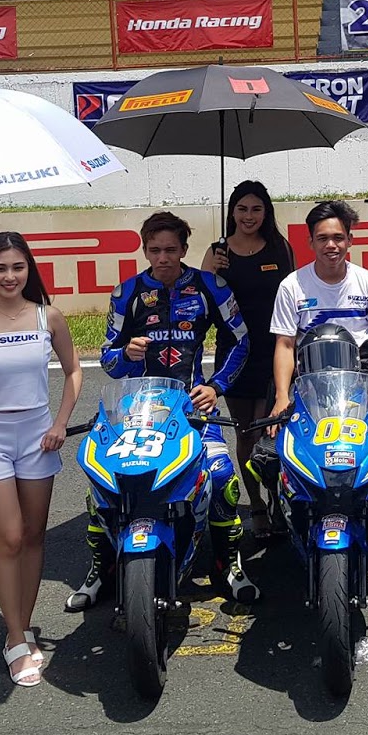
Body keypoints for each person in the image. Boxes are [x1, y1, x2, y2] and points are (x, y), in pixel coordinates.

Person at [65, 211, 258, 612]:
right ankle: (103, 566)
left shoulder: (210, 286)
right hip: (135, 408)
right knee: (104, 480)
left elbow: (241, 340)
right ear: (145, 250)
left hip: (192, 406)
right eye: (155, 250)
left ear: (184, 249)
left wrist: (216, 386)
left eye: (171, 249)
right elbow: (108, 359)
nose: (163, 257)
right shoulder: (127, 293)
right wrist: (126, 353)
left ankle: (227, 564)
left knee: (221, 476)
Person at [268, 199, 368, 602]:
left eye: (338, 237)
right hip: (308, 390)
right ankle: (287, 534)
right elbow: (285, 344)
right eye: (323, 238)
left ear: (350, 240)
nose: (331, 245)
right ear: (310, 242)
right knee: (269, 460)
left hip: (362, 389)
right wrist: (282, 397)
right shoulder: (292, 286)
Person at [0, 233, 81, 688]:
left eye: (17, 267)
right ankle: (17, 638)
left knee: (34, 535)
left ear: (29, 270)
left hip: (38, 437)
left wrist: (60, 422)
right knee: (9, 539)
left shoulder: (48, 316)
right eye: (0, 268)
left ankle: (20, 629)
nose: (9, 276)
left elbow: (74, 371)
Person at [201, 180, 295, 539]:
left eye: (256, 209)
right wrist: (212, 272)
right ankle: (256, 504)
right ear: (232, 212)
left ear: (266, 212)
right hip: (235, 354)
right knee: (246, 434)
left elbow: (294, 296)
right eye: (242, 209)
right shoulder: (218, 251)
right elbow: (202, 305)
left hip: (276, 351)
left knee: (270, 431)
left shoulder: (280, 247)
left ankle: (278, 498)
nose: (249, 216)